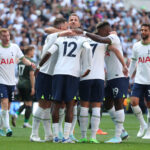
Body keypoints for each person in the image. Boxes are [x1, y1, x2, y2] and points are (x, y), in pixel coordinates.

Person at [37, 13, 92, 143]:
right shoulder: (81, 39)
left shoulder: (61, 38)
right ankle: (66, 137)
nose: (73, 22)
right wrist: (88, 67)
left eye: (75, 20)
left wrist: (39, 66)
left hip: (58, 73)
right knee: (69, 105)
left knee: (56, 104)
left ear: (78, 23)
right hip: (72, 74)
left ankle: (57, 137)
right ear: (68, 23)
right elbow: (88, 49)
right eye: (71, 20)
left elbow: (48, 53)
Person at [73, 21, 128, 143]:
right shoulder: (101, 41)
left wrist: (124, 66)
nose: (99, 34)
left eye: (100, 31)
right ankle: (95, 136)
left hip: (107, 76)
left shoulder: (107, 38)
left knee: (86, 106)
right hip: (102, 78)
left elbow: (113, 48)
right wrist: (124, 64)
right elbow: (115, 50)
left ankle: (116, 135)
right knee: (103, 105)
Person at [30, 17, 72, 142]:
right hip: (45, 74)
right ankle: (33, 134)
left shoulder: (60, 37)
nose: (68, 28)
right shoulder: (54, 36)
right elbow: (48, 29)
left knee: (50, 107)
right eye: (66, 25)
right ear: (61, 27)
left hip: (55, 75)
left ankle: (49, 135)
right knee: (43, 105)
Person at [0, 28, 36, 137]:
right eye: (4, 36)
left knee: (8, 106)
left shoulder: (14, 47)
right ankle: (8, 128)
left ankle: (1, 127)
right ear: (0, 37)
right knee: (5, 103)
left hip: (11, 82)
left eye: (8, 36)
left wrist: (30, 64)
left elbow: (22, 59)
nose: (7, 38)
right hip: (1, 81)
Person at [129, 23, 150, 139]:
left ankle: (149, 131)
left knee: (149, 106)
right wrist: (128, 75)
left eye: (145, 30)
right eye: (141, 30)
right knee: (133, 102)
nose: (143, 32)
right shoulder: (136, 46)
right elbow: (133, 62)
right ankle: (143, 125)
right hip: (139, 80)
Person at [12, 46, 35, 128]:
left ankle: (16, 114)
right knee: (29, 104)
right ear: (29, 51)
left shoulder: (20, 61)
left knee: (26, 103)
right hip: (27, 84)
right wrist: (33, 87)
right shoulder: (31, 62)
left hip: (20, 84)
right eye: (33, 51)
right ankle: (25, 123)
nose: (34, 53)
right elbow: (31, 75)